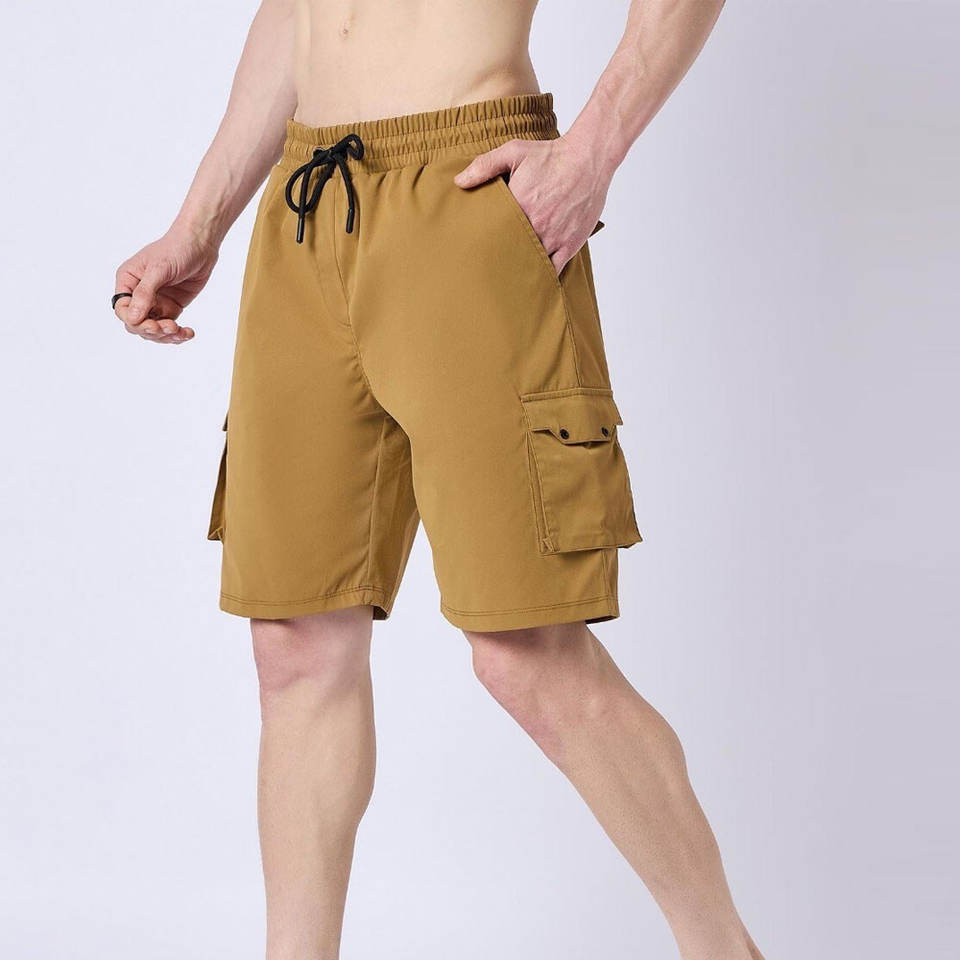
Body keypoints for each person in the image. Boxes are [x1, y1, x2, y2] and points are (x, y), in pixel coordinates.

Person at [113, 2, 764, 958]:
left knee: (526, 651)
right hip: (307, 202)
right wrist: (198, 222)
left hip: (467, 184)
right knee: (294, 644)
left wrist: (592, 153)